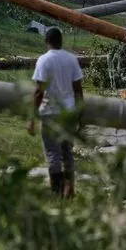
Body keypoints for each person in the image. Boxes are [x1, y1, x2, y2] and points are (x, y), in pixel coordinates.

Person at [27, 27, 84, 198]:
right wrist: (80, 114)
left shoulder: (44, 60)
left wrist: (31, 117)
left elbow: (39, 91)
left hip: (50, 113)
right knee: (67, 152)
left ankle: (57, 192)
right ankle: (69, 188)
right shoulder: (71, 59)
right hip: (68, 112)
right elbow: (78, 90)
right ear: (61, 41)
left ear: (46, 41)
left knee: (53, 153)